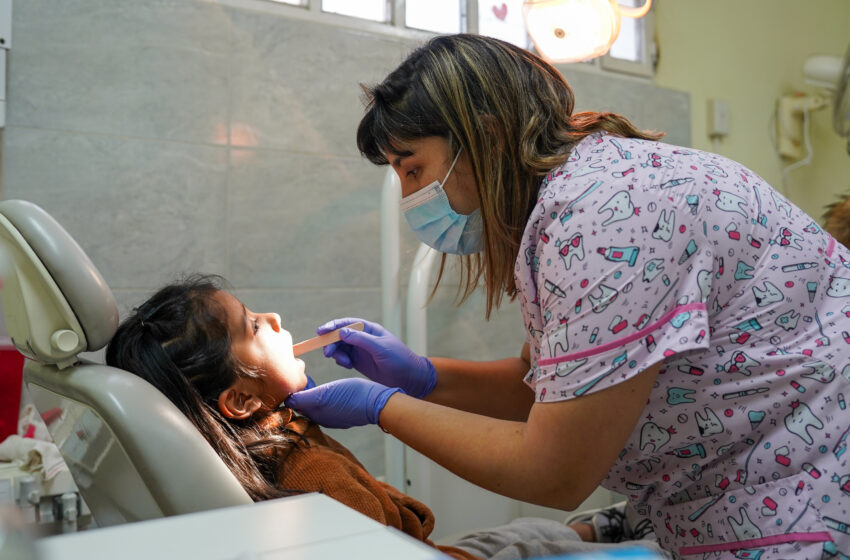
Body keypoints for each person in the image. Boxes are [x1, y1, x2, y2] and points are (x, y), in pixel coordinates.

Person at [284, 34, 850, 559]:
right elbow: (554, 394)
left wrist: (381, 408)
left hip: (812, 491)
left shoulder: (609, 214)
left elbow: (554, 472)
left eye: (414, 170)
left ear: (487, 137)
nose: (412, 197)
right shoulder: (577, 201)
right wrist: (424, 378)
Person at [105, 274, 650, 560]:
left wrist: (416, 377)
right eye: (252, 326)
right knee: (531, 543)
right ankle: (614, 530)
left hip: (432, 544)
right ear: (243, 403)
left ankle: (601, 525)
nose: (272, 317)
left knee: (520, 531)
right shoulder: (308, 477)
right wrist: (378, 405)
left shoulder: (263, 438)